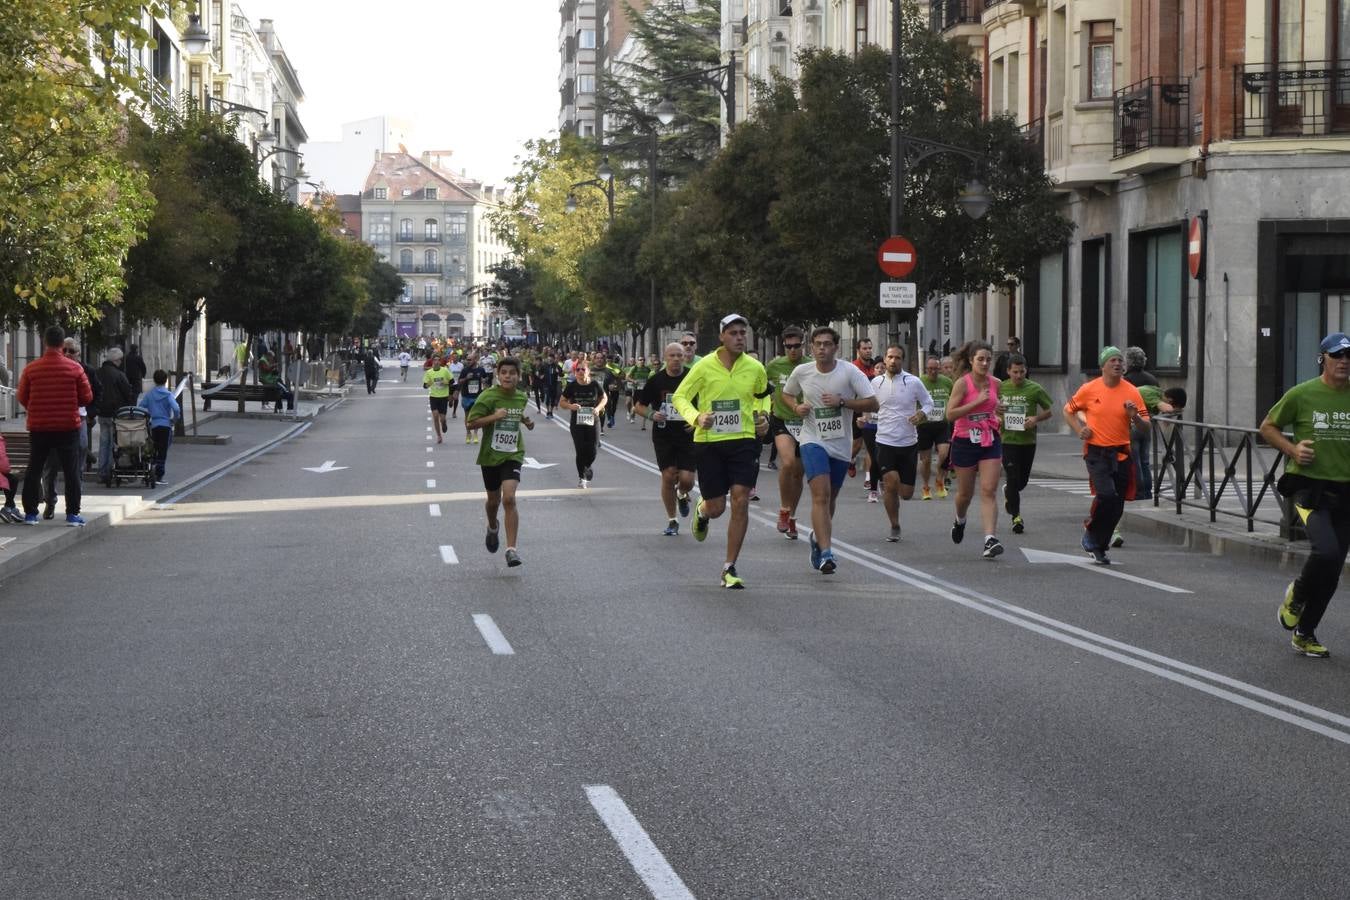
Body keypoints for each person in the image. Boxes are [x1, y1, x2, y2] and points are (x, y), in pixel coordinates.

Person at [1263, 333, 1350, 658]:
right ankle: (1296, 595)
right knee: (1325, 552)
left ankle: (1305, 632)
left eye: (1348, 357)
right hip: (1310, 490)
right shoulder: (1302, 394)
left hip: (1346, 491)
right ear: (1323, 359)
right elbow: (1267, 426)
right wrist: (1293, 449)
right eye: (1337, 356)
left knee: (1332, 569)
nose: (1344, 362)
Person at [672, 313, 770, 589]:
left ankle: (729, 567)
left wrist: (764, 419)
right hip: (710, 442)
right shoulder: (703, 366)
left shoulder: (755, 367)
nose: (740, 337)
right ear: (722, 337)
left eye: (743, 333)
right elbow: (679, 397)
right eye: (734, 333)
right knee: (717, 507)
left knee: (740, 499)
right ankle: (702, 512)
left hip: (744, 441)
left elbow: (763, 398)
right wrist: (696, 417)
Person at [779, 326, 877, 574]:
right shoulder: (802, 371)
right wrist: (796, 407)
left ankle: (817, 538)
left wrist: (843, 401)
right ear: (811, 347)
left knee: (830, 498)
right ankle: (826, 552)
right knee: (820, 495)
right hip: (812, 440)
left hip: (840, 444)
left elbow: (873, 402)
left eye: (827, 344)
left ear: (835, 347)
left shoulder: (849, 372)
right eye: (817, 344)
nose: (822, 348)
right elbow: (787, 394)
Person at [1063, 346, 1150, 566]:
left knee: (1117, 505)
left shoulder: (1132, 391)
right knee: (1106, 495)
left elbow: (1146, 426)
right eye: (1113, 360)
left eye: (1120, 361)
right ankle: (1091, 532)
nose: (1118, 364)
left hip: (1122, 452)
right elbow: (1068, 410)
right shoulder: (1089, 389)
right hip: (1096, 452)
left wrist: (1135, 418)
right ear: (1103, 366)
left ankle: (1098, 546)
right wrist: (1078, 429)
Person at [18, 326, 93, 526]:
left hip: (39, 426)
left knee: (35, 468)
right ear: (62, 344)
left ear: (45, 342)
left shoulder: (31, 368)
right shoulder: (75, 369)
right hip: (67, 426)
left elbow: (22, 396)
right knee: (71, 470)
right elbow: (87, 397)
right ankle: (72, 514)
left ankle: (31, 513)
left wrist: (36, 408)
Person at [466, 357, 534, 567]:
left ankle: (511, 550)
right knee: (493, 501)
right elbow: (471, 423)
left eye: (512, 373)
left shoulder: (521, 397)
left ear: (518, 376)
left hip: (513, 453)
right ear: (498, 375)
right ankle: (493, 526)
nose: (507, 376)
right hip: (490, 455)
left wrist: (526, 421)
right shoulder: (488, 396)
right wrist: (494, 417)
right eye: (503, 372)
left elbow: (516, 412)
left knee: (509, 499)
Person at [946, 341, 1006, 559]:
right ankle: (960, 519)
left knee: (989, 490)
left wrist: (998, 411)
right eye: (980, 359)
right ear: (971, 361)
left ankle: (990, 539)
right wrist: (977, 402)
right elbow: (950, 415)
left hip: (990, 438)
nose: (984, 363)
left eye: (988, 359)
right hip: (964, 441)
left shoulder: (996, 383)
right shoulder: (963, 384)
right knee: (965, 494)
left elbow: (996, 408)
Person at [870, 345, 933, 542]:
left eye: (897, 358)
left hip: (908, 443)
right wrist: (865, 418)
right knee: (891, 483)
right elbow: (868, 405)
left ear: (902, 361)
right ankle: (894, 524)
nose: (893, 361)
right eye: (890, 357)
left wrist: (921, 414)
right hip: (884, 441)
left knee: (906, 494)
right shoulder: (875, 382)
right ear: (885, 359)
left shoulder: (913, 382)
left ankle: (894, 494)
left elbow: (929, 403)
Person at [635, 342, 696, 535]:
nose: (676, 359)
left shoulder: (692, 378)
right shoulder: (656, 381)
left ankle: (682, 493)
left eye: (680, 355)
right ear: (665, 358)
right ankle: (672, 520)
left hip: (687, 434)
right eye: (672, 355)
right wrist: (652, 415)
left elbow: (705, 402)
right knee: (669, 475)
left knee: (687, 479)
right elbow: (639, 406)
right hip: (664, 435)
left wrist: (697, 419)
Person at [997, 353, 1055, 535]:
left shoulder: (1035, 389)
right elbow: (991, 407)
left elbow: (1049, 411)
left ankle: (1009, 491)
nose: (1019, 375)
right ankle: (1016, 517)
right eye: (1015, 372)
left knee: (1021, 482)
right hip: (1007, 440)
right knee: (1013, 478)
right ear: (1008, 371)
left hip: (1027, 441)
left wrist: (1035, 418)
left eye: (1022, 372)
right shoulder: (1001, 388)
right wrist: (997, 417)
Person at [764, 328, 808, 540]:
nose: (792, 350)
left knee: (799, 473)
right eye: (788, 346)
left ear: (803, 344)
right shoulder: (774, 366)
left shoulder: (811, 365)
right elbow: (760, 388)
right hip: (782, 420)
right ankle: (783, 509)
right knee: (788, 463)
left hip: (807, 424)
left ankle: (792, 516)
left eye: (796, 346)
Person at [560, 357, 606, 488]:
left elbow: (604, 398)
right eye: (577, 369)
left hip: (593, 421)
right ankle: (582, 477)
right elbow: (561, 402)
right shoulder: (572, 386)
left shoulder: (595, 384)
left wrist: (597, 408)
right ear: (575, 372)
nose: (580, 371)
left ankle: (587, 466)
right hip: (577, 422)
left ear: (588, 371)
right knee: (580, 450)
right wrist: (571, 406)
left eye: (583, 369)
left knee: (593, 450)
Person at [95, 347, 136, 486]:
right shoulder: (119, 374)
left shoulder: (98, 373)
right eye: (120, 360)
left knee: (103, 443)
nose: (120, 362)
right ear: (116, 360)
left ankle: (102, 472)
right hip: (115, 413)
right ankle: (112, 471)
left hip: (102, 413)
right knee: (115, 443)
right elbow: (128, 393)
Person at [917, 355, 953, 501]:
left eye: (936, 369)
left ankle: (940, 480)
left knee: (944, 454)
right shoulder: (919, 382)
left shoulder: (947, 382)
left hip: (942, 424)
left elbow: (954, 398)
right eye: (930, 369)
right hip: (924, 425)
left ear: (940, 369)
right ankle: (926, 486)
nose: (933, 372)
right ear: (926, 369)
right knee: (925, 460)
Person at [138, 369, 181, 485]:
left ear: (154, 380)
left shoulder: (150, 394)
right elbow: (176, 409)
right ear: (166, 380)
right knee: (163, 451)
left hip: (153, 425)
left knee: (152, 450)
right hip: (165, 425)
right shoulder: (168, 395)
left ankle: (149, 471)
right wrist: (174, 419)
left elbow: (140, 407)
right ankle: (159, 475)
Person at [850, 338, 878, 487]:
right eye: (864, 348)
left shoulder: (875, 366)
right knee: (856, 444)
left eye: (869, 348)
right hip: (857, 409)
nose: (868, 351)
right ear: (858, 350)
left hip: (871, 410)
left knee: (870, 445)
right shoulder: (853, 367)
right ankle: (851, 460)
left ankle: (868, 478)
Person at [458, 353, 491, 443]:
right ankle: (468, 433)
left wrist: (484, 381)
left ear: (475, 360)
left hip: (477, 396)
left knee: (476, 416)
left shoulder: (481, 370)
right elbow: (459, 381)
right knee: (467, 416)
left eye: (470, 360)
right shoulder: (465, 370)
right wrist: (466, 378)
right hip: (466, 396)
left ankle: (476, 433)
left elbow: (486, 379)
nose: (468, 361)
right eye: (467, 359)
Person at [423, 355, 453, 443]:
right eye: (434, 360)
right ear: (432, 362)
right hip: (434, 397)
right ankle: (439, 436)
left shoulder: (445, 370)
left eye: (438, 360)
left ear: (440, 362)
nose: (436, 362)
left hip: (443, 397)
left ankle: (444, 423)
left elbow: (452, 382)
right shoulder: (429, 372)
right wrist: (429, 384)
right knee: (435, 416)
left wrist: (446, 382)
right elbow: (425, 386)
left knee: (442, 418)